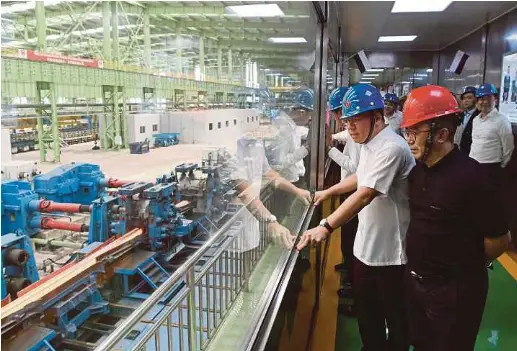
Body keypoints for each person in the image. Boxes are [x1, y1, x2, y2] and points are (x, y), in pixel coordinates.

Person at [297, 83, 414, 351]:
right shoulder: (371, 144)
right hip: (367, 248)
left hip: (390, 254)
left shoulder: (392, 148)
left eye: (355, 121)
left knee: (395, 317)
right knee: (367, 312)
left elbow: (365, 193)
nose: (349, 128)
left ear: (376, 117)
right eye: (346, 122)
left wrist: (326, 226)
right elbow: (360, 176)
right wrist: (327, 192)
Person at [400, 85, 511, 351]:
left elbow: (500, 240)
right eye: (407, 131)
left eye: (415, 132)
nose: (409, 139)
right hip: (418, 285)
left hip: (455, 293)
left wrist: (464, 267)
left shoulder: (472, 179)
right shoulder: (418, 170)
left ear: (442, 134)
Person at [327, 87, 361, 306]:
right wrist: (332, 137)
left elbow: (354, 167)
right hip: (348, 188)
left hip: (352, 189)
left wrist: (330, 149)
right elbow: (343, 135)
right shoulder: (351, 131)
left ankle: (353, 281)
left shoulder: (358, 136)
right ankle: (349, 267)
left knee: (351, 235)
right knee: (348, 235)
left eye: (338, 114)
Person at [470, 83, 514, 170]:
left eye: (489, 98)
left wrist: (502, 166)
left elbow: (508, 148)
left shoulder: (502, 120)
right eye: (482, 99)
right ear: (478, 101)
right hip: (473, 163)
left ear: (496, 100)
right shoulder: (475, 120)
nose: (485, 102)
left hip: (491, 167)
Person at [454, 86, 480, 155]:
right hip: (460, 151)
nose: (465, 100)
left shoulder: (479, 116)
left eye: (469, 98)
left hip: (472, 153)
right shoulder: (461, 115)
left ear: (476, 99)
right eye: (464, 98)